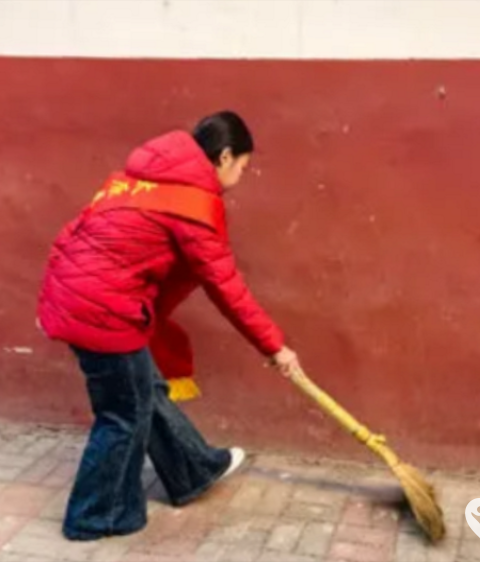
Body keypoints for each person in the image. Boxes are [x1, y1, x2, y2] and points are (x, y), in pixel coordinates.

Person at [36, 111, 301, 541]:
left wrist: (53, 303)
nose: (240, 177)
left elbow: (73, 235)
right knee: (122, 415)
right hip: (104, 311)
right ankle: (93, 515)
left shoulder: (133, 182)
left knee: (143, 390)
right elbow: (226, 286)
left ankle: (192, 470)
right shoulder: (193, 204)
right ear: (225, 156)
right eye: (242, 167)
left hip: (78, 299)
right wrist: (274, 346)